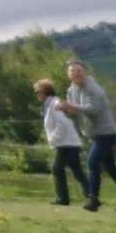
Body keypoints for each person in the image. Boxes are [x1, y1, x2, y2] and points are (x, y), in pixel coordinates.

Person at [57, 60, 116, 212]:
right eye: (72, 71)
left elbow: (94, 109)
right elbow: (76, 115)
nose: (76, 73)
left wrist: (71, 106)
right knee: (112, 170)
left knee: (92, 162)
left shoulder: (94, 88)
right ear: (69, 75)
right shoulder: (71, 91)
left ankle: (93, 199)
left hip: (106, 133)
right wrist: (65, 110)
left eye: (78, 70)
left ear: (84, 72)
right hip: (94, 134)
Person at [36, 79, 89, 207]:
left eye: (37, 91)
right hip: (69, 142)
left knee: (57, 169)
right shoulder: (50, 104)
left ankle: (62, 198)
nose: (36, 94)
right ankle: (91, 196)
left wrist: (52, 139)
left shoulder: (55, 104)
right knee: (77, 172)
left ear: (44, 92)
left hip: (65, 143)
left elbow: (63, 124)